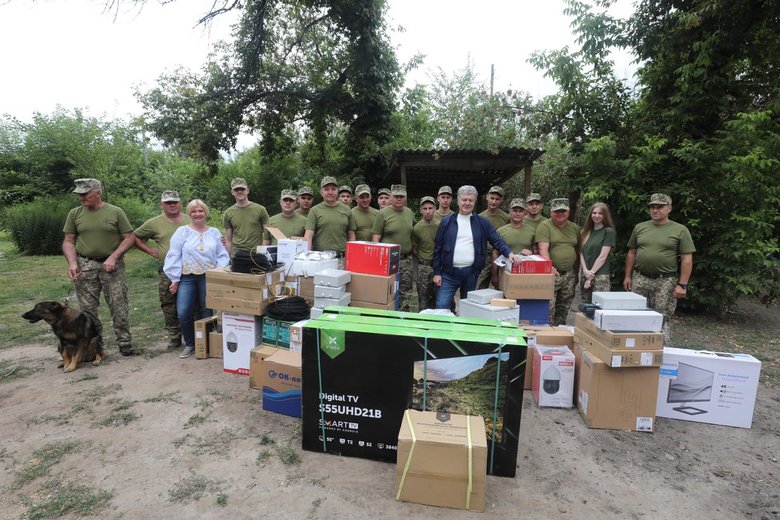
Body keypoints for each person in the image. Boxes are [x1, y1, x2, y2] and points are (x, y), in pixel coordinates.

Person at [62, 178, 136, 356]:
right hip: (85, 264)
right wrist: (72, 262)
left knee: (118, 305)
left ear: (97, 192)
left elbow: (129, 237)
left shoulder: (116, 212)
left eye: (85, 193)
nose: (81, 197)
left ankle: (124, 342)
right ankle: (96, 346)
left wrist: (113, 256)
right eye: (79, 194)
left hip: (112, 265)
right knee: (87, 310)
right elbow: (68, 241)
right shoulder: (74, 213)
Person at [623, 193, 695, 345]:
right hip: (640, 278)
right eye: (652, 207)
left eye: (659, 207)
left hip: (665, 280)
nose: (655, 210)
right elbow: (632, 252)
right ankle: (636, 350)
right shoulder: (640, 227)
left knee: (662, 317)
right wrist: (628, 276)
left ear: (669, 208)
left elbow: (687, 258)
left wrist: (682, 284)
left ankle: (661, 353)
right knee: (635, 315)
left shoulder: (680, 230)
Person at [433, 185, 519, 310]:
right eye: (464, 200)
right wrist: (437, 272)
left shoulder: (482, 223)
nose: (467, 203)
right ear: (458, 201)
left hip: (471, 274)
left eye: (470, 200)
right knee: (442, 305)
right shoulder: (446, 222)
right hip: (448, 274)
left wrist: (510, 253)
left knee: (468, 308)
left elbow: (497, 240)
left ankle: (464, 329)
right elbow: (438, 248)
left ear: (475, 201)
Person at [164, 199, 230, 359]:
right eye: (194, 211)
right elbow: (174, 254)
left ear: (205, 213)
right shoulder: (182, 232)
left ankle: (205, 344)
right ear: (189, 213)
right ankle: (191, 344)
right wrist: (175, 278)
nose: (197, 214)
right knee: (183, 312)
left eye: (200, 211)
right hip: (187, 277)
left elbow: (222, 255)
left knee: (206, 311)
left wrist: (218, 272)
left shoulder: (214, 232)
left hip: (207, 277)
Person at [133, 190, 191, 350]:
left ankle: (193, 335)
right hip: (168, 270)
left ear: (180, 203)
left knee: (193, 303)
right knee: (169, 303)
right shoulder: (154, 223)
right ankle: (174, 336)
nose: (172, 205)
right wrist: (151, 251)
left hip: (190, 269)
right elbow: (134, 236)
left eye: (174, 202)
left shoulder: (189, 218)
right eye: (168, 203)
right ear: (162, 205)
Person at [536, 198, 581, 326]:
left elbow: (577, 250)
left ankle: (560, 336)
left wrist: (576, 272)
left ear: (568, 212)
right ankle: (548, 335)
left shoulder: (575, 228)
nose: (560, 214)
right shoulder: (545, 226)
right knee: (548, 308)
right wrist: (549, 267)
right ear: (551, 212)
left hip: (569, 275)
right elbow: (542, 249)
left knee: (564, 309)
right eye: (557, 211)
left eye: (563, 211)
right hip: (551, 273)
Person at [372, 184, 415, 311]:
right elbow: (375, 237)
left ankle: (402, 319)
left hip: (406, 260)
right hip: (388, 261)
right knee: (387, 291)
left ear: (406, 198)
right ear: (391, 197)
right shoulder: (383, 214)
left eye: (402, 196)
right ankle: (385, 318)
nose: (399, 199)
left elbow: (412, 233)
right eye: (396, 196)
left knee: (405, 293)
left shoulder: (409, 213)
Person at [304, 176, 356, 267]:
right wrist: (308, 258)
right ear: (321, 192)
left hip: (341, 259)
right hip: (319, 258)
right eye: (327, 189)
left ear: (337, 191)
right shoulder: (315, 210)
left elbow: (351, 235)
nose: (330, 192)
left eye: (333, 189)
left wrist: (351, 257)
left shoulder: (347, 210)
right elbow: (308, 236)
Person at [491, 198, 535, 287]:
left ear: (525, 212)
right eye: (515, 210)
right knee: (504, 298)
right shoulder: (501, 231)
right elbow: (495, 253)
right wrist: (494, 274)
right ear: (510, 211)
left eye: (520, 211)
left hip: (525, 272)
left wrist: (532, 252)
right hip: (505, 271)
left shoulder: (532, 231)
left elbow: (536, 251)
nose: (517, 213)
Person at [579, 202, 617, 304]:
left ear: (605, 215)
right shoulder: (584, 232)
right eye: (594, 213)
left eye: (600, 213)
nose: (596, 216)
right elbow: (580, 253)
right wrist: (585, 271)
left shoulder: (608, 232)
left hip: (600, 277)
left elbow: (602, 256)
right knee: (586, 308)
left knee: (599, 309)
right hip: (585, 274)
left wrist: (590, 275)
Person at [222, 177, 269, 257]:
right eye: (236, 190)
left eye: (242, 189)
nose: (239, 191)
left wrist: (262, 252)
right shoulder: (228, 213)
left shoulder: (260, 209)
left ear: (247, 190)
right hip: (237, 255)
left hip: (256, 254)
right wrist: (229, 258)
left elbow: (267, 235)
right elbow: (228, 240)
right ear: (232, 192)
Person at [476, 185, 510, 289]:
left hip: (502, 255)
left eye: (497, 199)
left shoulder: (506, 217)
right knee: (480, 286)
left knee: (503, 286)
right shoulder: (479, 218)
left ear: (501, 201)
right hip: (485, 255)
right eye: (492, 198)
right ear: (487, 197)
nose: (494, 202)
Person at [412, 196, 440, 310]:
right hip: (423, 265)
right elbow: (414, 247)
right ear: (421, 210)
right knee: (423, 297)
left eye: (430, 208)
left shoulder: (440, 225)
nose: (428, 211)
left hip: (438, 265)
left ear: (435, 209)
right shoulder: (417, 228)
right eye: (425, 208)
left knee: (439, 295)